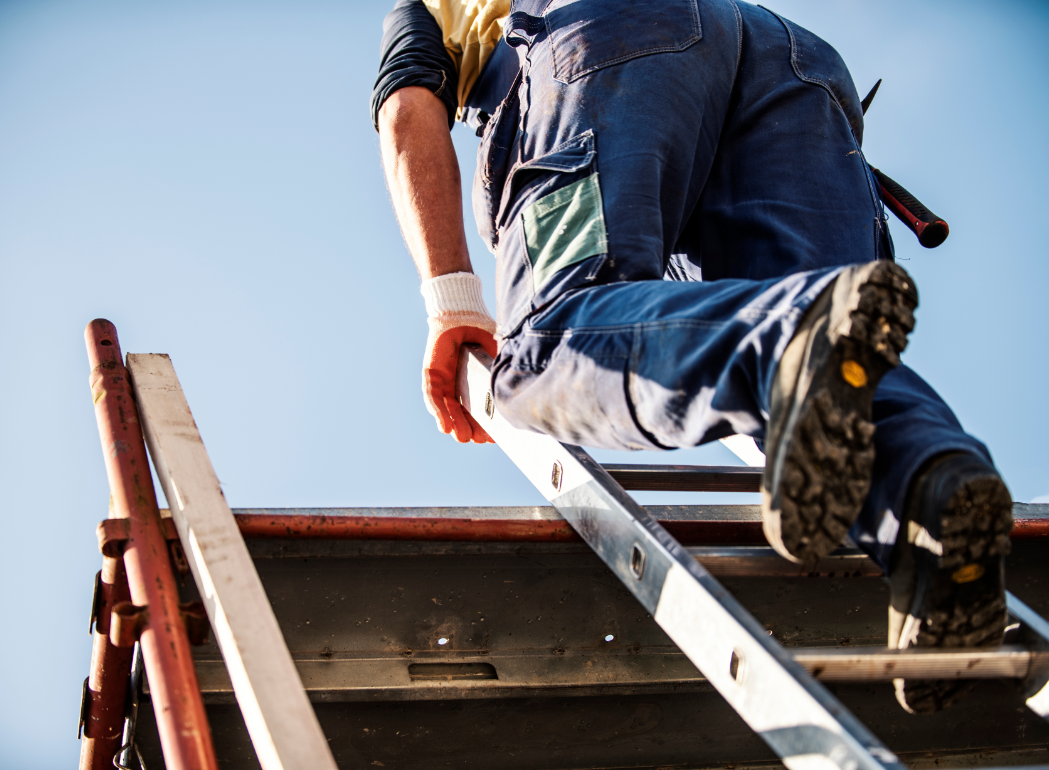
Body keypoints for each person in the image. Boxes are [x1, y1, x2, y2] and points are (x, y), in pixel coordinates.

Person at [372, 0, 1014, 714]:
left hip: (605, 41)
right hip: (789, 64)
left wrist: (452, 300)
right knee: (833, 366)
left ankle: (785, 337)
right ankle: (936, 505)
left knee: (549, 342)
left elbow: (406, 107)